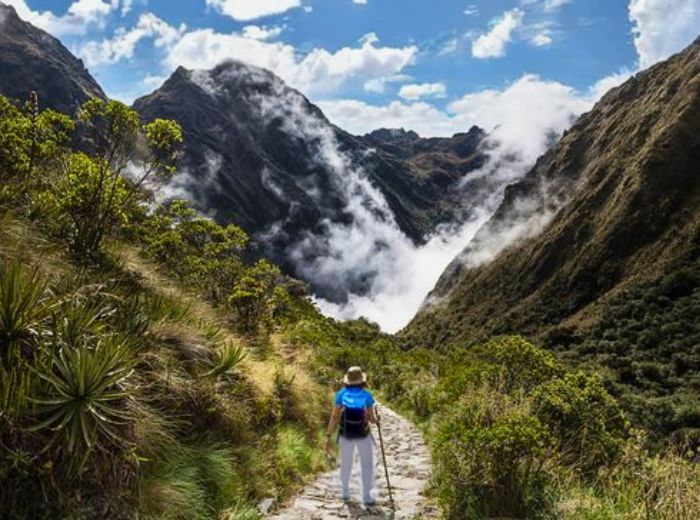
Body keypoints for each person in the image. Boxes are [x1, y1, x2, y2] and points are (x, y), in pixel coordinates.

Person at [324, 366, 380, 506]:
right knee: (366, 464)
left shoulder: (341, 394)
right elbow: (372, 419)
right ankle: (366, 496)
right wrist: (377, 419)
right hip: (363, 433)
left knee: (346, 462)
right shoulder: (367, 395)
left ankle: (345, 492)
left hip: (346, 432)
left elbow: (335, 416)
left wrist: (328, 435)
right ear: (362, 380)